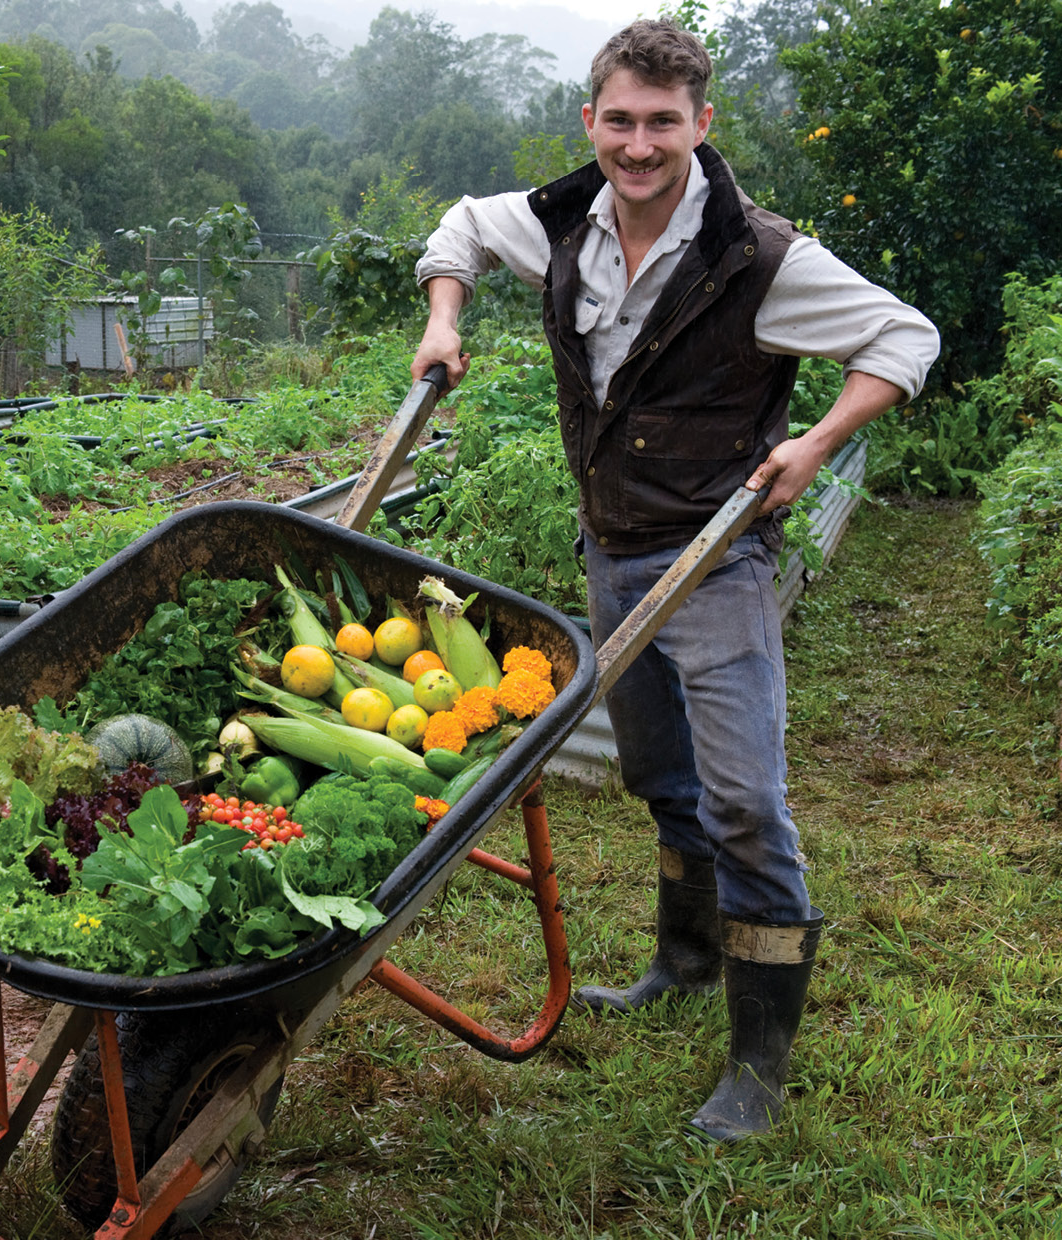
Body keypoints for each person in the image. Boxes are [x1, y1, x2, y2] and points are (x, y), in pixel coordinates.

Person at [411, 20, 939, 1141]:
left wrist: (816, 443)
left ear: (701, 125)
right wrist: (442, 316)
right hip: (612, 553)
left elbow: (901, 338)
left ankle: (755, 1060)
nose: (637, 144)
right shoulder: (559, 223)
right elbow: (459, 223)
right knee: (662, 776)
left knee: (744, 801)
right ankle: (684, 963)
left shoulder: (758, 257)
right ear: (590, 121)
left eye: (662, 122)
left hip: (718, 559)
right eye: (619, 120)